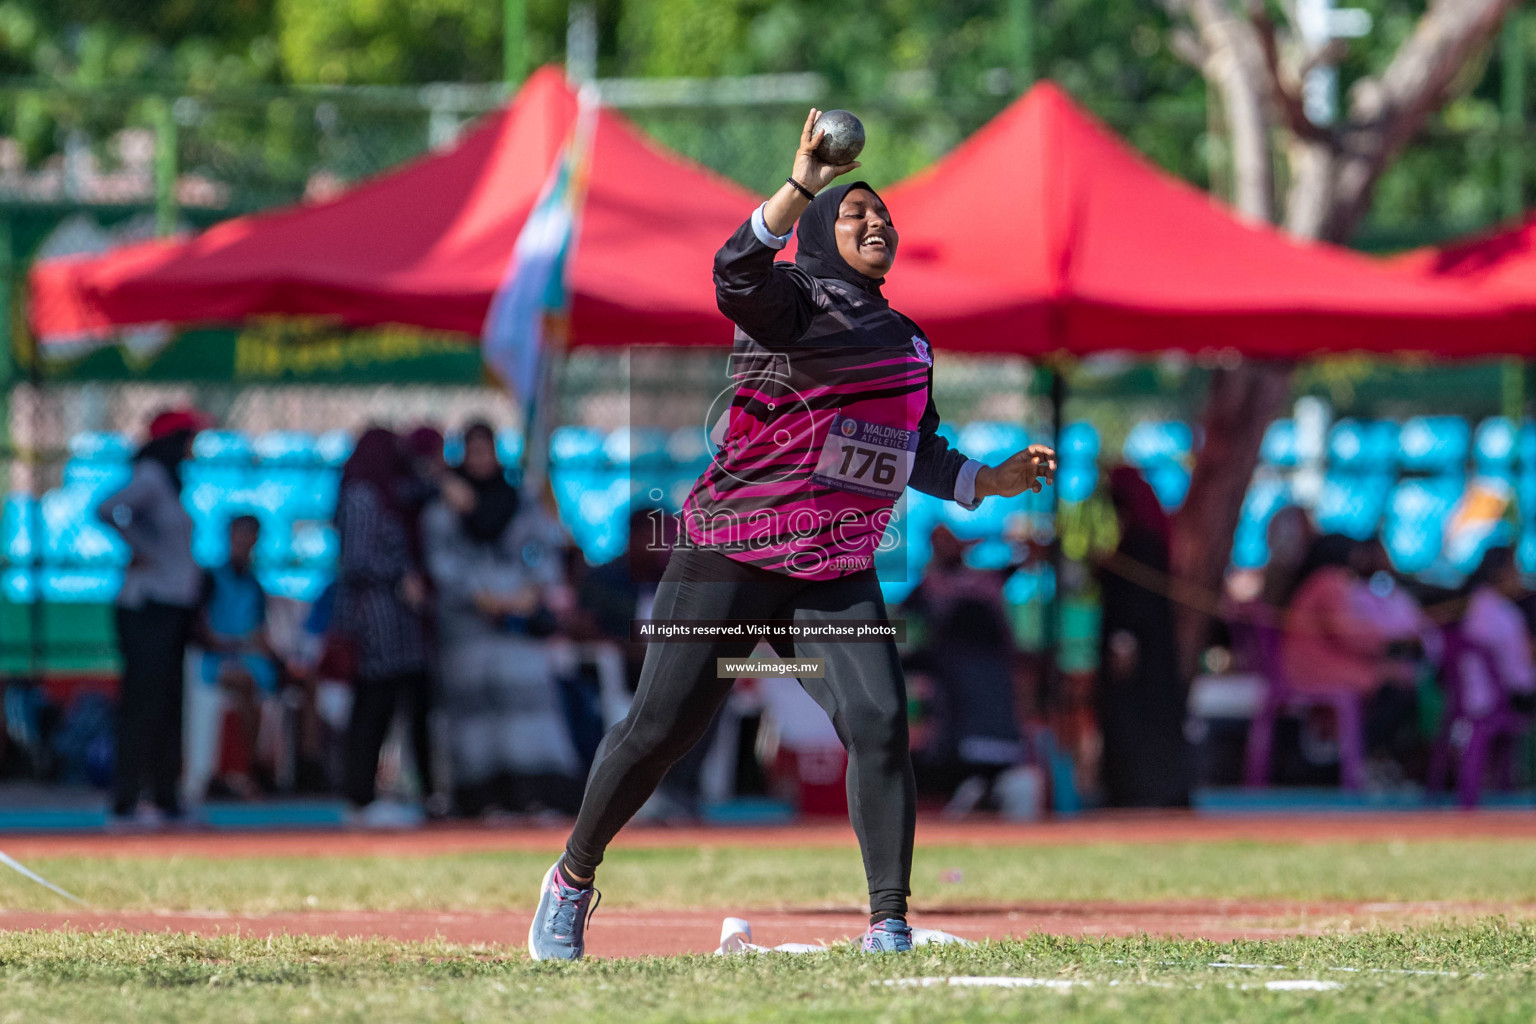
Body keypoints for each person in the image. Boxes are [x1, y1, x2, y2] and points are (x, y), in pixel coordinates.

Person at [526, 108, 1056, 960]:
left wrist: (983, 482)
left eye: (882, 213)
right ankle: (572, 879)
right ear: (819, 233)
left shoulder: (910, 343)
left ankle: (888, 924)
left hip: (832, 570)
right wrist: (801, 182)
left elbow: (913, 447)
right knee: (660, 729)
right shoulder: (792, 305)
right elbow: (734, 273)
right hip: (730, 554)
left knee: (881, 722)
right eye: (855, 214)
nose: (877, 221)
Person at [422, 421, 582, 817]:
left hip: (518, 629)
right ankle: (483, 800)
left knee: (529, 715)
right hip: (469, 629)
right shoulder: (443, 509)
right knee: (477, 720)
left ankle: (536, 795)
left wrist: (527, 595)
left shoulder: (522, 500)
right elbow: (442, 564)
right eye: (472, 452)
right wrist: (482, 597)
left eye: (486, 451)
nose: (480, 460)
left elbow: (543, 551)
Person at [96, 408, 207, 826]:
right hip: (147, 608)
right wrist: (136, 547)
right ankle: (127, 799)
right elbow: (106, 509)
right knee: (144, 703)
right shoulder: (151, 478)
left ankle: (165, 796)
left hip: (172, 608)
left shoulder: (170, 484)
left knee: (167, 703)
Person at [333, 427, 431, 826]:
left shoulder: (390, 493)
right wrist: (398, 576)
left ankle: (378, 792)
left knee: (388, 706)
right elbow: (357, 561)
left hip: (397, 620)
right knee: (371, 707)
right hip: (373, 618)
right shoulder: (361, 495)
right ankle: (360, 796)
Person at [899, 525, 1027, 814]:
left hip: (990, 691)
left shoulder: (986, 580)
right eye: (938, 543)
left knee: (992, 771)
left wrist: (999, 536)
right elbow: (900, 630)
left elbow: (1031, 554)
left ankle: (979, 796)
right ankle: (971, 797)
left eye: (949, 542)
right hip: (956, 699)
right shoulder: (929, 586)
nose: (944, 548)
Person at [1094, 465, 1188, 807]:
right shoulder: (1142, 538)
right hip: (1149, 655)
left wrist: (1123, 643)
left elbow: (1135, 606)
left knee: (1136, 721)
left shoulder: (1141, 545)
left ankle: (1142, 790)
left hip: (1139, 657)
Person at [185, 514, 280, 803]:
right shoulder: (209, 579)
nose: (244, 543)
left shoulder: (255, 585)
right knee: (244, 683)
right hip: (214, 661)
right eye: (240, 535)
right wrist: (228, 645)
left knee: (271, 685)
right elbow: (200, 630)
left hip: (249, 661)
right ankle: (243, 771)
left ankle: (280, 770)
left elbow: (260, 634)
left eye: (250, 537)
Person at [1455, 546, 1536, 720]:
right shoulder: (1504, 614)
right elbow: (1521, 667)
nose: (1519, 575)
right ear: (1500, 572)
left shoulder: (1476, 604)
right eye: (1515, 568)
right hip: (1502, 696)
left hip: (1471, 693)